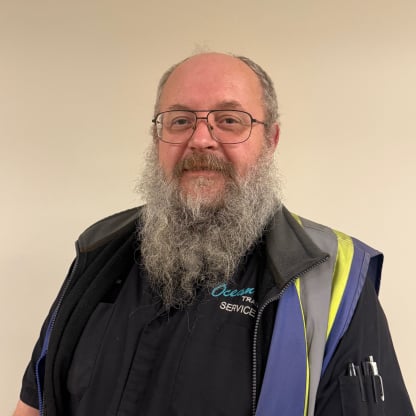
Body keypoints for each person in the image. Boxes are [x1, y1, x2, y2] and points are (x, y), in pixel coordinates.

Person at [14, 52, 414, 416]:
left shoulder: (332, 278)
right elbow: (33, 404)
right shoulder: (99, 250)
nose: (201, 139)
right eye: (180, 120)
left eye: (229, 120)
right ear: (157, 138)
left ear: (270, 140)